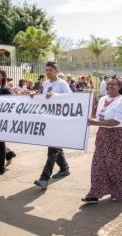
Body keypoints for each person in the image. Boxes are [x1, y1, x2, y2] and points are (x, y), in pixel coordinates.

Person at [82, 77, 122, 204]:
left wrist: (94, 123)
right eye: (108, 84)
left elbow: (116, 121)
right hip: (102, 136)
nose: (110, 86)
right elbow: (97, 114)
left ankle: (117, 192)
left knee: (115, 166)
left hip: (116, 137)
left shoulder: (121, 101)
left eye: (113, 85)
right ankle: (94, 194)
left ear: (119, 87)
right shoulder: (103, 99)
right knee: (98, 165)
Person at [34, 61, 71, 189]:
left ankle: (44, 178)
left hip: (59, 120)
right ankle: (64, 168)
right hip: (49, 118)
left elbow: (70, 98)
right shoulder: (45, 84)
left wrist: (55, 96)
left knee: (52, 149)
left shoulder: (62, 83)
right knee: (55, 146)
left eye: (50, 70)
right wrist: (34, 96)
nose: (48, 72)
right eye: (46, 70)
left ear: (55, 71)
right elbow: (42, 98)